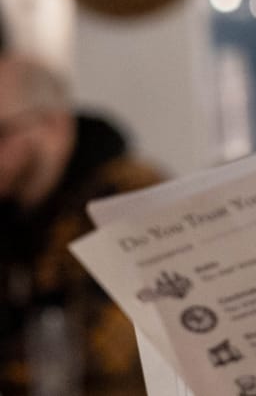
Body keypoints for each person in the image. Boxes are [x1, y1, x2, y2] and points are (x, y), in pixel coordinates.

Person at [1, 50, 162, 396]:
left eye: (1, 132)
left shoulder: (129, 196)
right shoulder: (13, 210)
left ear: (53, 125)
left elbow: (115, 353)